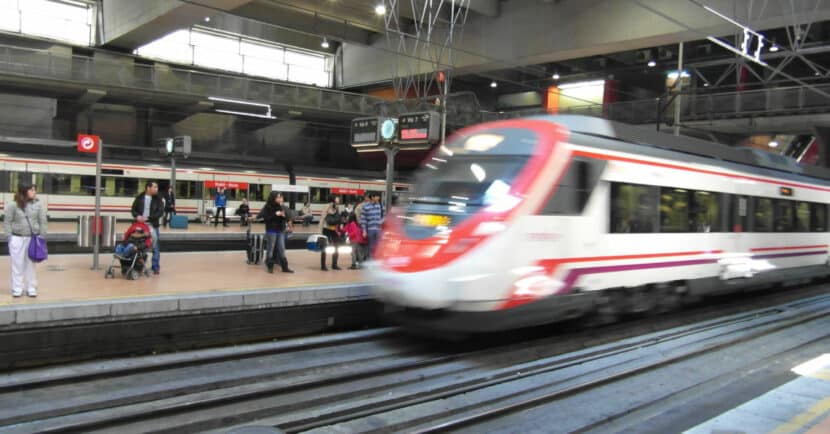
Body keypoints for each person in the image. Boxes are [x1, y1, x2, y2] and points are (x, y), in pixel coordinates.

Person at [4, 183, 47, 297]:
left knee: (31, 264)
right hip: (16, 238)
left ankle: (31, 287)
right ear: (24, 191)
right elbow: (7, 221)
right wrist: (10, 237)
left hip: (32, 239)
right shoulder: (13, 205)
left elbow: (43, 221)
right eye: (32, 190)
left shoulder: (38, 204)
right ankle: (17, 288)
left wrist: (41, 236)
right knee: (17, 264)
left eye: (35, 190)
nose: (34, 192)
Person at [131, 181, 164, 274]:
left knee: (155, 247)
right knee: (140, 246)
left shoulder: (158, 199)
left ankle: (155, 267)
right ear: (148, 188)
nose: (156, 189)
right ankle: (140, 266)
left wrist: (149, 218)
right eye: (155, 187)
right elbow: (133, 209)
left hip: (153, 225)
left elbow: (160, 212)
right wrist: (137, 216)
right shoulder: (139, 197)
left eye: (157, 187)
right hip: (141, 226)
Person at [260, 192, 294, 273]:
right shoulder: (268, 207)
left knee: (282, 248)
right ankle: (270, 266)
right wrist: (275, 214)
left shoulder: (282, 207)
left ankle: (284, 267)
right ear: (273, 198)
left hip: (281, 230)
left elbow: (287, 218)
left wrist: (283, 217)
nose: (280, 199)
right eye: (278, 197)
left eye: (280, 197)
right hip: (271, 230)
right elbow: (265, 218)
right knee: (270, 248)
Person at [318, 196, 341, 271]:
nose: (338, 200)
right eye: (337, 198)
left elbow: (338, 218)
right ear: (333, 199)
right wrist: (319, 231)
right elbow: (322, 218)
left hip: (334, 229)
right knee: (324, 247)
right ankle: (323, 266)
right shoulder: (327, 206)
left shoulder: (337, 207)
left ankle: (334, 264)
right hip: (326, 229)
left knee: (336, 247)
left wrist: (339, 228)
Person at [361, 192, 383, 258]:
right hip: (370, 229)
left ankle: (377, 261)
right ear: (372, 197)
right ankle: (371, 260)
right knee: (371, 246)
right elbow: (363, 219)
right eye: (377, 196)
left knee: (379, 246)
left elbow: (384, 216)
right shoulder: (365, 207)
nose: (378, 198)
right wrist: (364, 231)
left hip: (379, 229)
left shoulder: (381, 205)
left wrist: (381, 222)